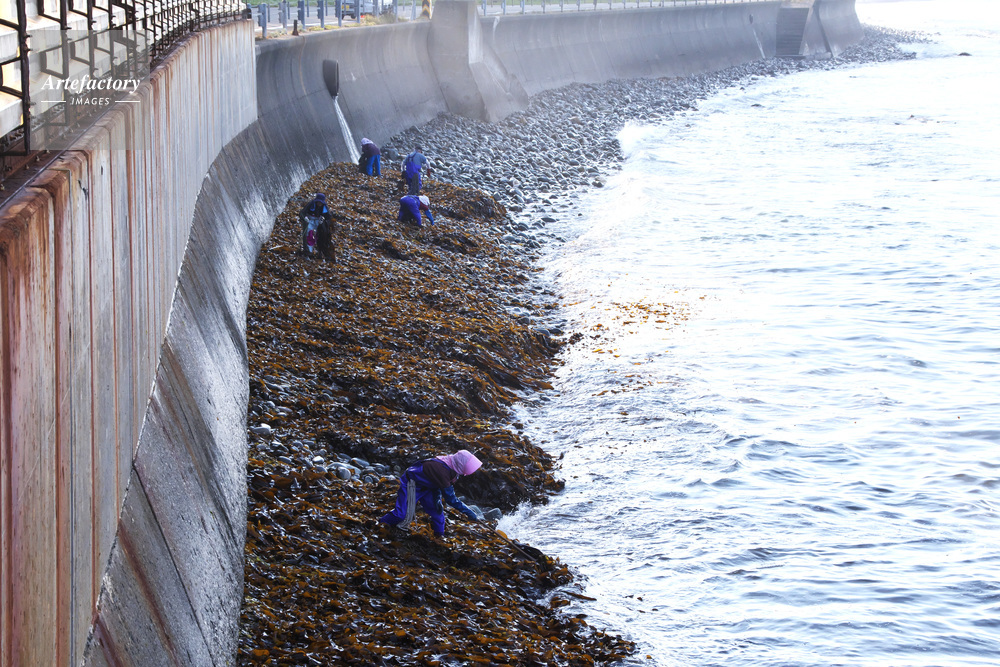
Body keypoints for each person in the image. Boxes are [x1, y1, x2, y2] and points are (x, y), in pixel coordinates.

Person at [380, 450, 483, 537]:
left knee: (437, 513)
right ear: (461, 464)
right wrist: (469, 512)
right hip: (412, 484)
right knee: (401, 515)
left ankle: (439, 537)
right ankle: (380, 524)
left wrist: (437, 498)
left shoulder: (452, 465)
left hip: (429, 487)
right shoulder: (442, 471)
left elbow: (438, 485)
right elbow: (451, 499)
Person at [298, 192, 334, 260]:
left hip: (318, 221)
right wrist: (305, 218)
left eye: (321, 202)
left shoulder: (325, 207)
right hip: (309, 220)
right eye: (318, 202)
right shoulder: (311, 204)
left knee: (321, 235)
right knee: (308, 234)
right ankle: (308, 252)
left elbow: (328, 217)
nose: (319, 204)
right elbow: (302, 213)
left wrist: (323, 219)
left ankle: (320, 252)